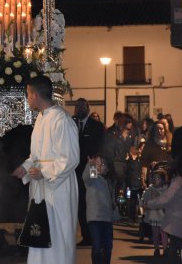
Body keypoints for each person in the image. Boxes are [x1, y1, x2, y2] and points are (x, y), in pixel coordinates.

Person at [11, 75, 79, 264]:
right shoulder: (41, 119)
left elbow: (71, 158)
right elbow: (37, 156)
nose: (27, 98)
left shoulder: (61, 119)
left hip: (58, 187)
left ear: (35, 94)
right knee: (38, 231)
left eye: (28, 94)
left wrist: (45, 172)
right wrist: (25, 168)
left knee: (57, 234)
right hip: (41, 187)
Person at [144, 156, 182, 262]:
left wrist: (148, 204)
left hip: (175, 221)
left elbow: (165, 199)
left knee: (173, 252)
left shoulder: (177, 182)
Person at [72, 97, 104, 246]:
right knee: (79, 202)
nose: (78, 109)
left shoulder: (96, 126)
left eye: (81, 106)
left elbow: (101, 147)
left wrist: (96, 162)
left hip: (90, 166)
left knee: (91, 199)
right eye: (76, 106)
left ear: (87, 108)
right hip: (74, 168)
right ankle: (86, 236)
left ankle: (95, 235)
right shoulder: (71, 123)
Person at [82, 155, 115, 264]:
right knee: (97, 245)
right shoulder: (93, 179)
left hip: (107, 219)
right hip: (95, 218)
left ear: (108, 168)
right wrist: (91, 164)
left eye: (103, 164)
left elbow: (112, 201)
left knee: (108, 246)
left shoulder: (109, 182)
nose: (100, 166)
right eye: (98, 164)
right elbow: (87, 176)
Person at [140, 169, 168, 257]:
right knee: (155, 234)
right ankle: (156, 249)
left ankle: (165, 249)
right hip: (154, 214)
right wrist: (144, 204)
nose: (156, 180)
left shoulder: (166, 189)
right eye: (154, 178)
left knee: (163, 233)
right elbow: (144, 198)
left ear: (163, 179)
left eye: (158, 178)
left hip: (163, 214)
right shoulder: (150, 189)